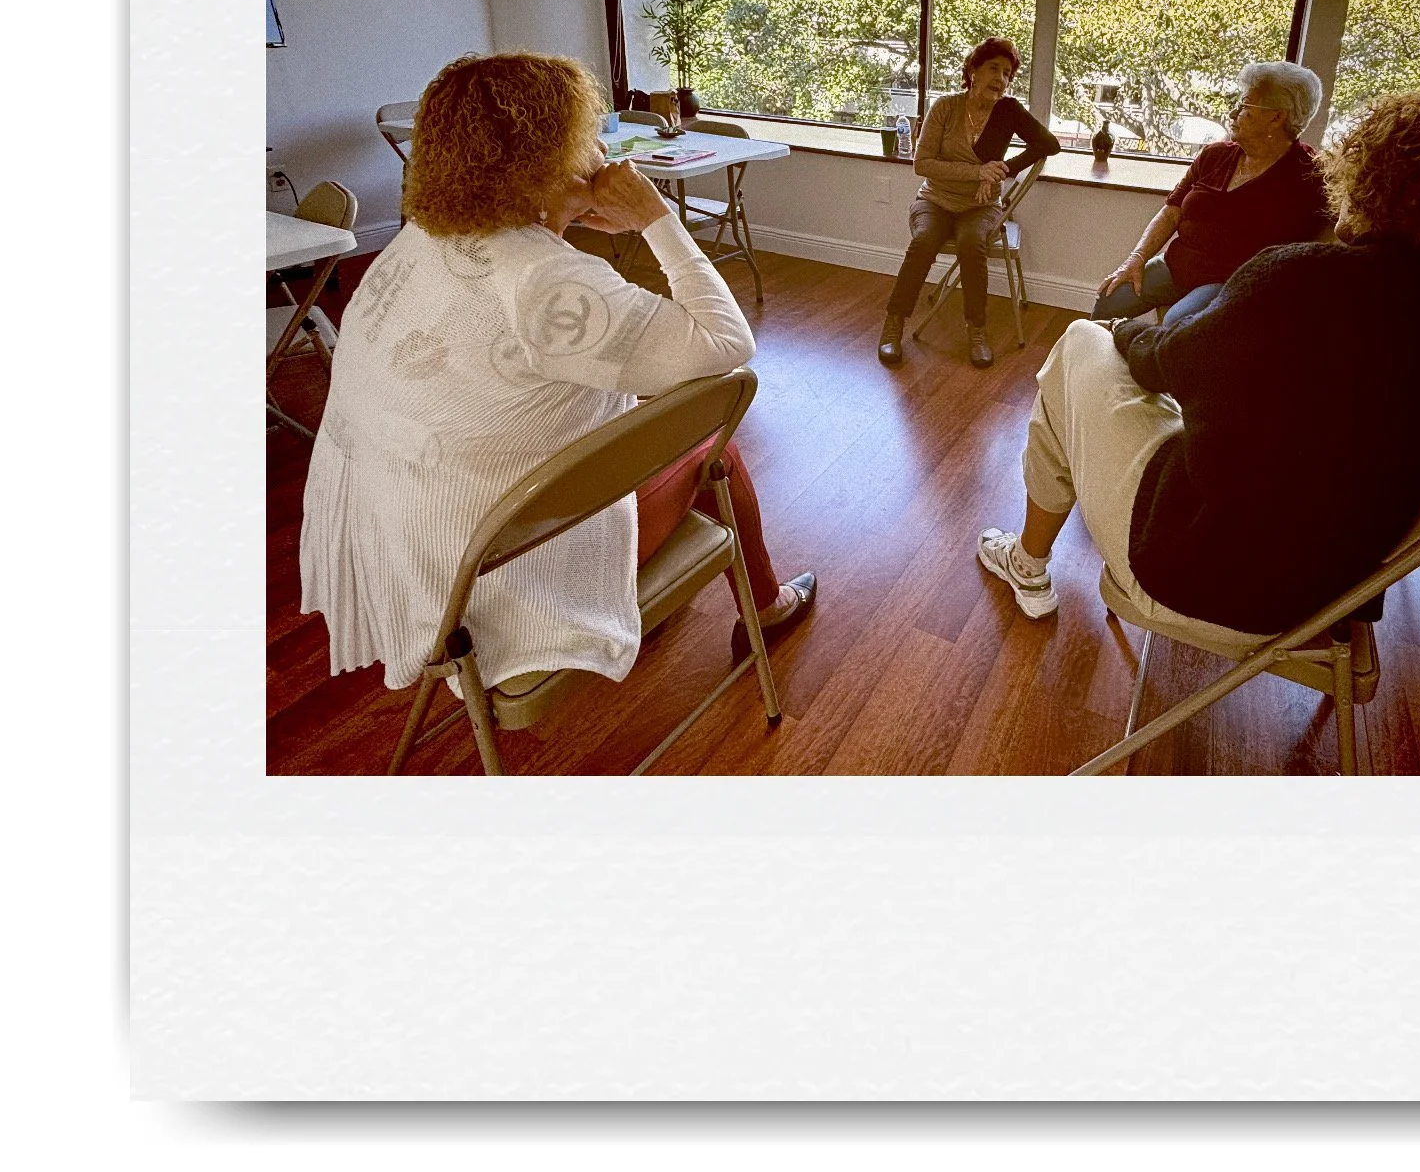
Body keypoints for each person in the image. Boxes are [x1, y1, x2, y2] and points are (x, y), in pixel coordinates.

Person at [977, 88, 1420, 637]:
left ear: (1384, 179)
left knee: (1080, 342)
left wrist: (1128, 333)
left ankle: (1028, 563)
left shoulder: (1300, 279)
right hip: (1328, 600)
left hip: (1192, 575)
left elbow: (1159, 366)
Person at [301, 52, 815, 696]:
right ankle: (765, 613)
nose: (601, 148)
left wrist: (565, 220)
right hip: (497, 574)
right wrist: (659, 219)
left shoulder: (416, 242)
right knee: (720, 452)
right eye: (588, 135)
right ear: (546, 163)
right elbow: (726, 342)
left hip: (403, 545)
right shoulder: (543, 279)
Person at [1092, 60, 1332, 326]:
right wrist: (1135, 260)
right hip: (1177, 267)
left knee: (1176, 323)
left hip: (1230, 285)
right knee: (1110, 298)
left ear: (1276, 117)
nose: (1232, 112)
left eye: (1245, 106)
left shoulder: (1312, 174)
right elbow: (1172, 212)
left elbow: (1329, 240)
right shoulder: (1214, 155)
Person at [878, 37, 1060, 369]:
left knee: (972, 242)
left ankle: (977, 330)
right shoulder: (945, 108)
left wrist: (1001, 171)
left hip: (981, 207)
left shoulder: (1008, 111)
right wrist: (978, 172)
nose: (1000, 79)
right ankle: (894, 324)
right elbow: (923, 164)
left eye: (1007, 73)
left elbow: (1048, 143)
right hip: (934, 200)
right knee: (924, 241)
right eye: (994, 69)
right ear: (973, 70)